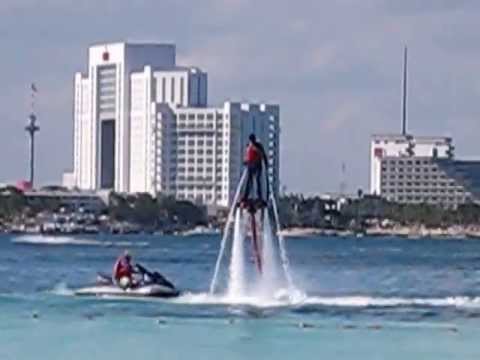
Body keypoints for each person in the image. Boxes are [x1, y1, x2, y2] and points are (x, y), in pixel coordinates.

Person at [242, 133, 269, 203]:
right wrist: (245, 161)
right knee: (249, 182)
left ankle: (259, 196)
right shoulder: (249, 146)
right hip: (250, 165)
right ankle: (245, 196)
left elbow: (263, 155)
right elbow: (247, 156)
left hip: (257, 165)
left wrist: (266, 164)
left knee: (257, 181)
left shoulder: (258, 146)